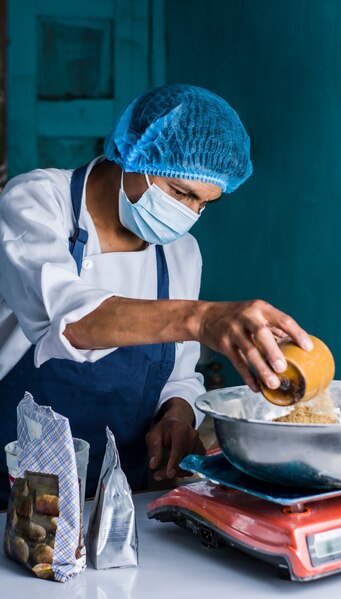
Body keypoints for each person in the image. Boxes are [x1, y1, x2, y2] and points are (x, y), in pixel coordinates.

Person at [0, 84, 313, 508]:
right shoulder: (37, 202)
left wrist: (179, 415)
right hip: (16, 484)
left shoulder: (181, 252)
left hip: (125, 491)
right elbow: (70, 320)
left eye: (204, 204)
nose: (188, 215)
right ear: (134, 153)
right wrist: (201, 319)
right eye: (180, 192)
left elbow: (179, 373)